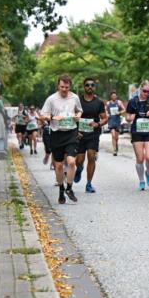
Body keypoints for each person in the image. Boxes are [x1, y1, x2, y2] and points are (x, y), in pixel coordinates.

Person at [38, 74, 83, 204]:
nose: (64, 89)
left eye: (67, 87)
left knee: (71, 162)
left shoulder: (75, 97)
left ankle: (69, 188)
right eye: (62, 87)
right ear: (58, 86)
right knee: (58, 166)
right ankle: (61, 189)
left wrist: (77, 116)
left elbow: (79, 111)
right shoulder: (51, 99)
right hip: (57, 134)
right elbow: (42, 115)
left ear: (70, 86)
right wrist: (51, 118)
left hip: (71, 133)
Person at [126, 80, 149, 190]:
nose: (146, 93)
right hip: (137, 131)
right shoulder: (133, 101)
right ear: (140, 89)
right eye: (144, 91)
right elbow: (128, 117)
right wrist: (130, 118)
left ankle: (148, 173)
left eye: (148, 91)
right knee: (140, 159)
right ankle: (141, 180)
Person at [73, 78, 107, 193]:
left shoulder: (99, 102)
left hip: (93, 134)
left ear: (95, 87)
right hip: (80, 134)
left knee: (91, 156)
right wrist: (74, 130)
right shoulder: (77, 101)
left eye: (92, 85)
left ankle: (88, 184)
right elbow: (72, 116)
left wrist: (97, 124)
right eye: (87, 85)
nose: (90, 87)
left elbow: (105, 118)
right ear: (84, 87)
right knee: (79, 160)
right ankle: (79, 168)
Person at [105, 91, 124, 156]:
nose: (114, 97)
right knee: (113, 135)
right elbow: (105, 110)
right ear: (111, 96)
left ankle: (116, 144)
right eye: (113, 96)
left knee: (116, 137)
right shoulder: (108, 103)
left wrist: (119, 112)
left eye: (115, 96)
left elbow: (124, 109)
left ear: (116, 96)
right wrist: (107, 114)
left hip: (117, 121)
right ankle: (114, 150)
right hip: (111, 121)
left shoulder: (119, 102)